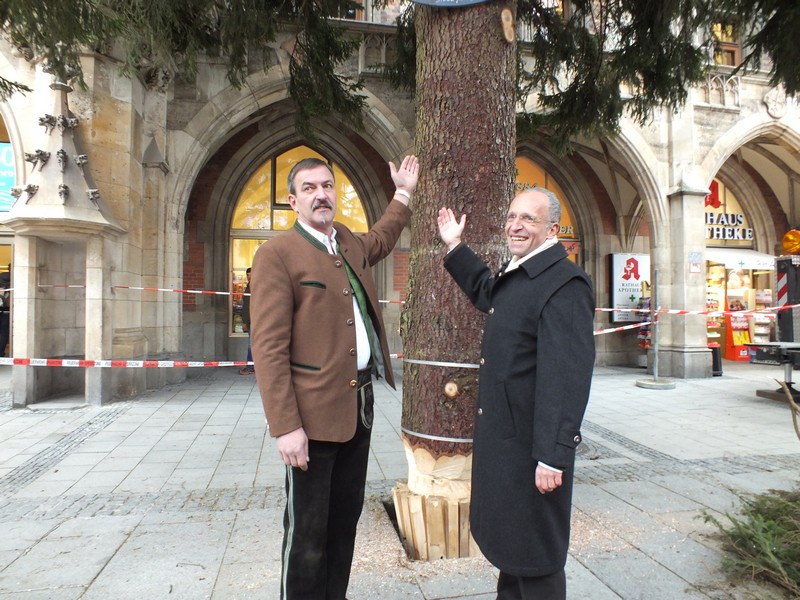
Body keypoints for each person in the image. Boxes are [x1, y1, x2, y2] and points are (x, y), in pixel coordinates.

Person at [250, 154, 419, 600]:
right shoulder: (276, 255)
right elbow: (267, 349)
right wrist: (285, 427)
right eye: (309, 188)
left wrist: (402, 192)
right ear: (293, 201)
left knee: (345, 522)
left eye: (327, 186)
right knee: (307, 533)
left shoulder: (345, 241)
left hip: (358, 408)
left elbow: (381, 238)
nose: (321, 194)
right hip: (310, 416)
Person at [437, 188, 595, 600]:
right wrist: (455, 245)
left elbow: (567, 377)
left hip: (533, 450)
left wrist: (553, 455)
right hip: (509, 444)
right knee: (513, 551)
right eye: (512, 217)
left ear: (552, 229)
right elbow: (489, 292)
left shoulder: (565, 283)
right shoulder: (523, 270)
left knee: (537, 558)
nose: (515, 226)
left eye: (528, 219)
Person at [239, 267, 254, 374]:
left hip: (254, 320)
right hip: (249, 320)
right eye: (248, 275)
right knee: (252, 344)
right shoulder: (248, 287)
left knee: (251, 345)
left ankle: (250, 367)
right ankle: (252, 367)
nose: (249, 277)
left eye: (251, 274)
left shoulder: (255, 287)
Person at [0, 264, 10, 358]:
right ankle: (0, 352)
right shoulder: (13, 281)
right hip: (7, 311)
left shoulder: (0, 278)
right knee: (4, 332)